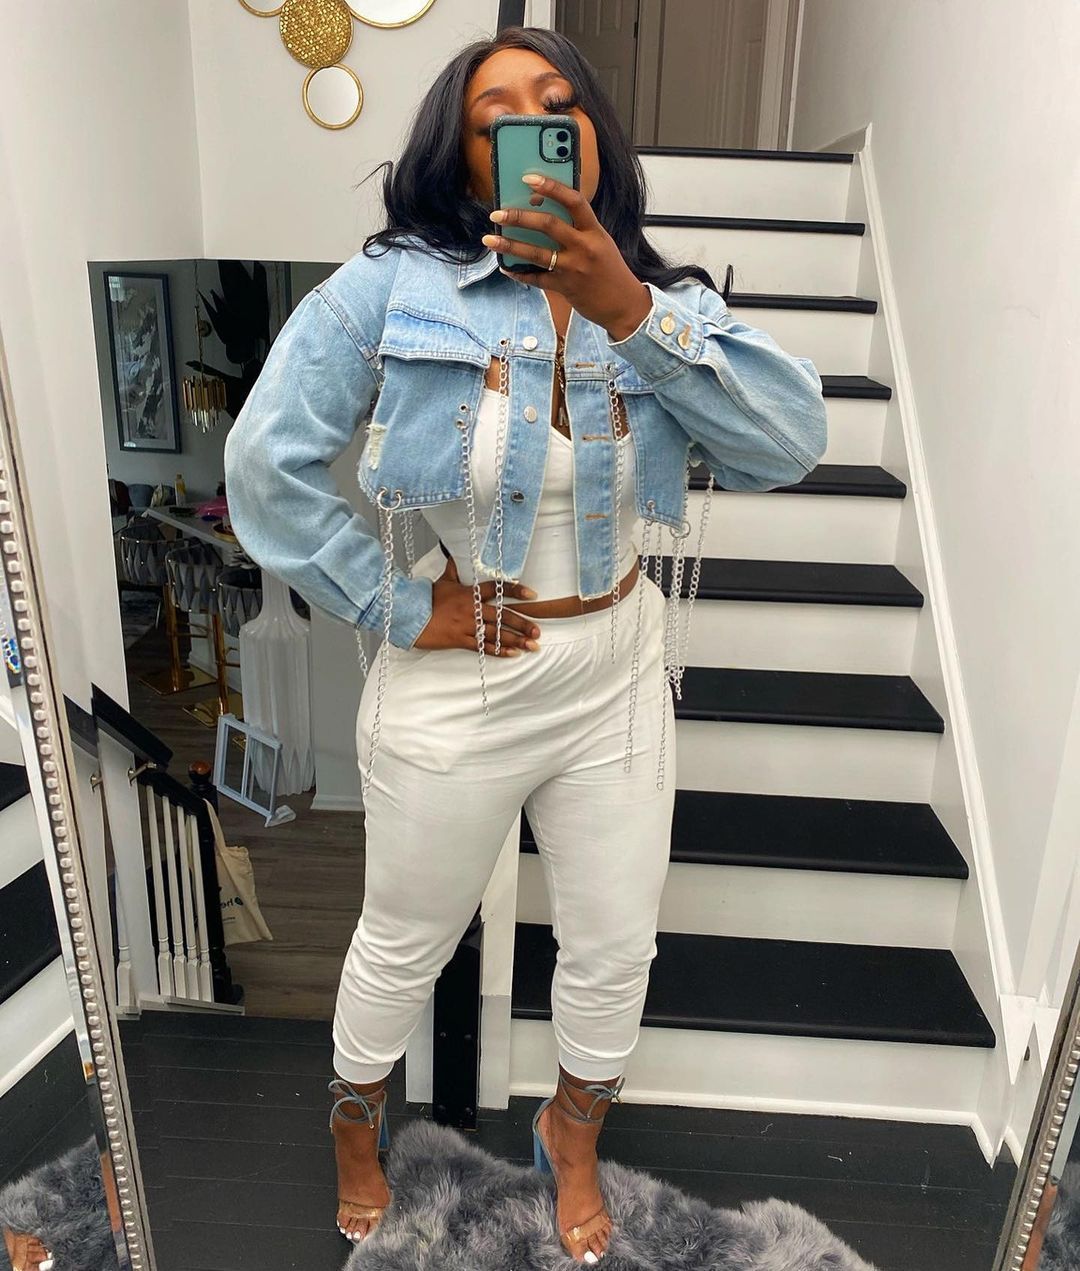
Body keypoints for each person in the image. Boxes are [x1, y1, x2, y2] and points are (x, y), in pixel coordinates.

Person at [223, 24, 827, 1264]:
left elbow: (790, 441)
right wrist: (400, 605)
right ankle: (354, 1118)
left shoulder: (661, 300)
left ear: (591, 132)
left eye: (558, 100)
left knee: (615, 942)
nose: (535, 123)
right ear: (463, 155)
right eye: (496, 113)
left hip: (617, 671)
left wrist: (630, 309)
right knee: (407, 936)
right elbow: (262, 467)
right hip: (462, 679)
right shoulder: (394, 291)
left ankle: (571, 1132)